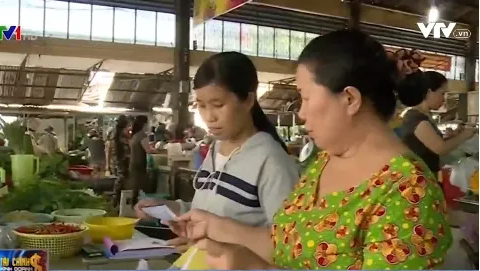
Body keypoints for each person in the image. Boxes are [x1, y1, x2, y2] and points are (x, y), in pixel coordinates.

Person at [174, 29, 452, 270]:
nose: (302, 113)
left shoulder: (407, 192)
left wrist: (256, 268)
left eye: (305, 97)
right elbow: (288, 244)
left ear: (349, 99)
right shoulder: (323, 162)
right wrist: (214, 225)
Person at [135, 51, 299, 253]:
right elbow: (210, 211)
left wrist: (220, 246)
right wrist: (172, 209)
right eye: (201, 106)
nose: (209, 117)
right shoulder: (216, 148)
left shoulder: (272, 161)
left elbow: (290, 245)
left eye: (218, 105)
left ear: (248, 101)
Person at [399, 71, 476, 174]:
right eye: (442, 93)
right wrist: (464, 135)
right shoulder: (416, 118)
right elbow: (440, 148)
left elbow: (429, 144)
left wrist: (454, 136)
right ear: (429, 92)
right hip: (417, 176)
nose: (444, 99)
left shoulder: (424, 115)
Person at [129, 115, 158, 205]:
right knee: (140, 189)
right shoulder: (142, 135)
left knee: (135, 189)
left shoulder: (134, 135)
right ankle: (138, 208)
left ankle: (132, 208)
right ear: (144, 124)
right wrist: (159, 150)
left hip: (133, 163)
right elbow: (148, 150)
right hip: (139, 165)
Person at [106, 115, 130, 207]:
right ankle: (115, 201)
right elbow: (108, 149)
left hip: (121, 161)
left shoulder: (123, 134)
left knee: (122, 181)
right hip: (119, 161)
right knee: (120, 180)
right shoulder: (116, 134)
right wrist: (107, 165)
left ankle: (118, 202)